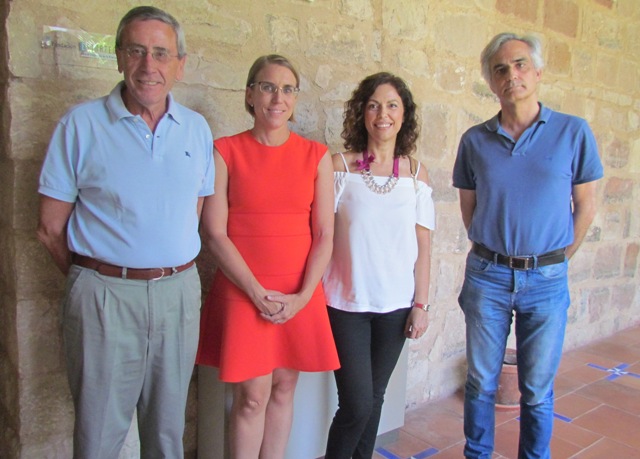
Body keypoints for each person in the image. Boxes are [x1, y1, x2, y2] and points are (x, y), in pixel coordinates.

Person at [36, 6, 214, 458]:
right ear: (118, 57)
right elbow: (50, 228)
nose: (148, 65)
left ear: (180, 64)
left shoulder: (196, 129)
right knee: (98, 438)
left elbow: (191, 212)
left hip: (177, 294)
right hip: (104, 297)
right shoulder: (80, 125)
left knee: (167, 435)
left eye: (161, 53)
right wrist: (94, 279)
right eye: (136, 51)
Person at [453, 32, 603, 459]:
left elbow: (586, 205)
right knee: (481, 381)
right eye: (500, 69)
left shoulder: (573, 132)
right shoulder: (474, 140)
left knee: (537, 388)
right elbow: (470, 208)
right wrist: (495, 250)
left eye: (520, 65)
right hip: (488, 277)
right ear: (491, 81)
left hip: (547, 279)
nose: (511, 75)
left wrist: (556, 259)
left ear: (537, 72)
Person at [196, 54, 339, 459]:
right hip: (244, 290)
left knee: (284, 387)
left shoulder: (316, 156)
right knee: (252, 397)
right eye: (268, 87)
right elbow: (214, 232)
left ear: (295, 98)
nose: (278, 98)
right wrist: (256, 291)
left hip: (297, 292)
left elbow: (324, 234)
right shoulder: (225, 151)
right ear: (250, 94)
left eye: (288, 89)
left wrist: (303, 296)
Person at [322, 72, 435, 459]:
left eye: (391, 105)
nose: (382, 114)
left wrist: (421, 305)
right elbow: (319, 235)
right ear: (362, 113)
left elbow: (424, 247)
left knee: (375, 397)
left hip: (396, 307)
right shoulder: (339, 168)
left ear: (404, 115)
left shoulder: (417, 176)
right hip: (345, 304)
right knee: (357, 403)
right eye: (373, 105)